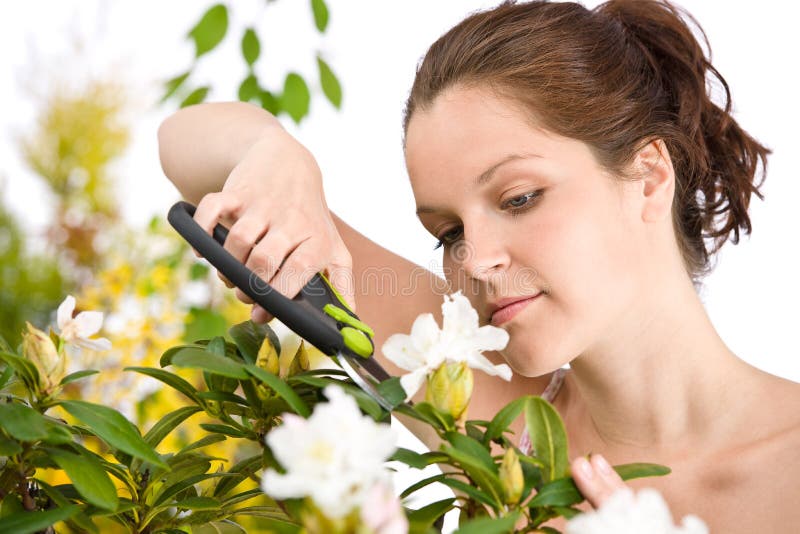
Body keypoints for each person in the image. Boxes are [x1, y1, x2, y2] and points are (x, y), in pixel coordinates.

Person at [157, 0, 800, 530]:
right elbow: (184, 145)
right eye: (447, 232)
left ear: (649, 177)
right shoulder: (482, 406)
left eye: (520, 198)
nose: (477, 261)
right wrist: (280, 156)